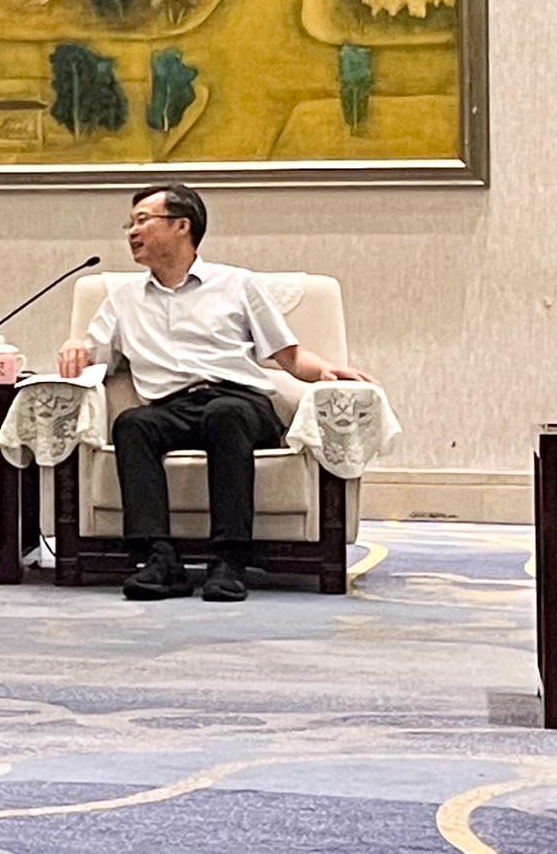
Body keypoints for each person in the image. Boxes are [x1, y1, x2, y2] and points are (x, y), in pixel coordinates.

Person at [56, 183, 373, 604]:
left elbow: (289, 355)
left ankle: (229, 560)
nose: (131, 232)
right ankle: (159, 558)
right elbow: (97, 361)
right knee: (132, 424)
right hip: (171, 406)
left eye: (143, 221)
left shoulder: (236, 284)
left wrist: (327, 371)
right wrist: (76, 347)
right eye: (129, 224)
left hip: (241, 402)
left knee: (225, 415)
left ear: (181, 225)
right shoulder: (122, 299)